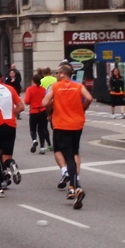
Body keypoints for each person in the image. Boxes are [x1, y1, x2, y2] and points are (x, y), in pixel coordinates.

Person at [42, 63, 93, 209]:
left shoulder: (56, 87)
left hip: (61, 125)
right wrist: (82, 108)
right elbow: (89, 98)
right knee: (74, 152)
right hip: (77, 123)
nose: (56, 75)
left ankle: (75, 187)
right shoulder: (78, 86)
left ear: (63, 74)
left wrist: (53, 104)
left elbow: (44, 102)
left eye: (57, 73)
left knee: (68, 156)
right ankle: (73, 185)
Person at [23, 73, 50, 155]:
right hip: (42, 111)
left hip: (34, 111)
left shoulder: (29, 89)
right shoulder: (43, 89)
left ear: (33, 81)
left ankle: (34, 140)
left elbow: (26, 101)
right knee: (42, 130)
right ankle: (42, 148)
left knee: (33, 129)